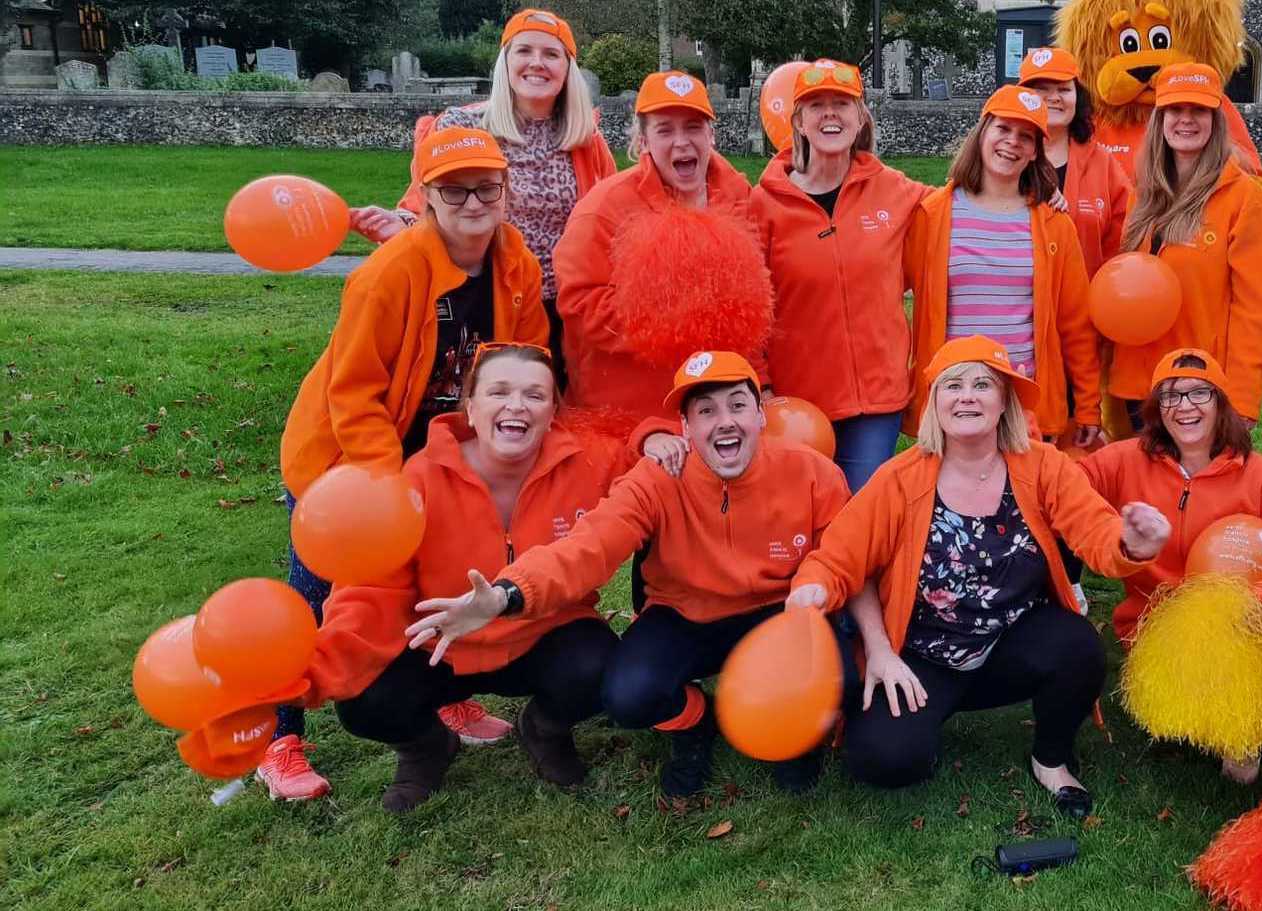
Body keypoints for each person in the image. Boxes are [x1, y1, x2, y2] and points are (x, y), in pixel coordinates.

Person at [411, 350, 855, 795]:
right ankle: (695, 723)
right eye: (705, 411)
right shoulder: (658, 478)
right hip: (687, 615)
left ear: (760, 415)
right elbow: (590, 544)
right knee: (629, 696)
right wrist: (509, 592)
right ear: (685, 429)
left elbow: (843, 551)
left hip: (780, 610)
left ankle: (796, 739)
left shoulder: (813, 473)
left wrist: (814, 586)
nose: (724, 422)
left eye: (738, 405)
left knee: (844, 678)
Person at [269, 126, 550, 800]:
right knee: (318, 594)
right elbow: (353, 390)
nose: (473, 200)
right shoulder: (388, 274)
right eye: (454, 188)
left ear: (506, 191)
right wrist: (383, 486)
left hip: (439, 451)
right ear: (425, 195)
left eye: (486, 185)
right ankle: (278, 739)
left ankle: (446, 700)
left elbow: (527, 360)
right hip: (348, 460)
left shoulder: (518, 266)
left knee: (443, 573)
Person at [785, 336, 1172, 818]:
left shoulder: (1044, 465)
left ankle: (1050, 760)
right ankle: (920, 720)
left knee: (1078, 646)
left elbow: (1096, 532)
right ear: (935, 404)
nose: (967, 396)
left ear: (1005, 401)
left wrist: (1132, 544)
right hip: (924, 655)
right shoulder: (899, 478)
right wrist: (814, 592)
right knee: (882, 762)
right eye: (953, 385)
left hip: (1013, 643)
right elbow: (840, 555)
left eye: (983, 384)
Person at [302, 344, 620, 812]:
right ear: (470, 406)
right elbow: (370, 587)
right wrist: (320, 668)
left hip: (540, 634)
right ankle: (427, 748)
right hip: (440, 647)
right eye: (499, 392)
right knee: (364, 700)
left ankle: (545, 730)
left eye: (535, 395)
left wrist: (656, 436)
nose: (517, 405)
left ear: (554, 410)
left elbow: (646, 459)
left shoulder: (591, 463)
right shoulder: (418, 479)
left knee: (606, 668)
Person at [1079, 348, 1262, 783]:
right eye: (1169, 396)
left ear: (1222, 403)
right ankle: (1179, 708)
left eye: (1198, 394)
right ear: (1155, 409)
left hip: (1241, 626)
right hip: (1154, 628)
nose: (1184, 406)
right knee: (1175, 714)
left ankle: (1239, 729)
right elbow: (1066, 484)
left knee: (1235, 738)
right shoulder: (1125, 459)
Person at [349, 8, 617, 384]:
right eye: (524, 51)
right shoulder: (462, 125)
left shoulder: (586, 139)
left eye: (551, 54)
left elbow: (611, 216)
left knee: (549, 409)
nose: (536, 63)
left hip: (562, 303)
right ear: (505, 61)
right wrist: (402, 224)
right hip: (483, 296)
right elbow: (425, 199)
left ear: (567, 69)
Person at [751, 58, 929, 492]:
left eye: (842, 104)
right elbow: (748, 305)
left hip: (876, 399)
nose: (830, 113)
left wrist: (1041, 187)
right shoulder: (763, 205)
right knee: (802, 517)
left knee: (859, 512)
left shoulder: (896, 190)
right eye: (816, 105)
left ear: (861, 116)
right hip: (797, 399)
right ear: (798, 121)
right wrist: (763, 383)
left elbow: (967, 198)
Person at [554, 70, 758, 419]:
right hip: (629, 415)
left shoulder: (739, 198)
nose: (681, 142)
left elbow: (758, 303)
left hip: (717, 412)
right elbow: (580, 304)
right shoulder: (604, 209)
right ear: (644, 140)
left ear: (711, 134)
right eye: (665, 129)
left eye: (693, 127)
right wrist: (680, 320)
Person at [904, 85, 1101, 446]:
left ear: (1035, 152)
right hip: (952, 396)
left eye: (1026, 137)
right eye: (1003, 129)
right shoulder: (932, 214)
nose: (1012, 142)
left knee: (1025, 498)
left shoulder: (1054, 225)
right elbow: (885, 295)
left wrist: (1088, 404)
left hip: (1023, 399)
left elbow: (1076, 325)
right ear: (983, 132)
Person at [1110, 62, 1262, 430]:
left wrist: (1243, 399)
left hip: (1199, 390)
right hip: (1141, 386)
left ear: (1216, 120)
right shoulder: (1143, 194)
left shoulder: (1244, 199)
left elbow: (1256, 311)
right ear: (1160, 119)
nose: (1186, 120)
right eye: (1175, 109)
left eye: (1198, 110)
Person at [1017, 46, 1132, 277]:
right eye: (1041, 89)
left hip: (1085, 305)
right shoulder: (1003, 156)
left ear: (1077, 97)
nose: (1054, 97)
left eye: (1064, 89)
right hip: (1017, 305)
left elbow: (1127, 233)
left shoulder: (1103, 162)